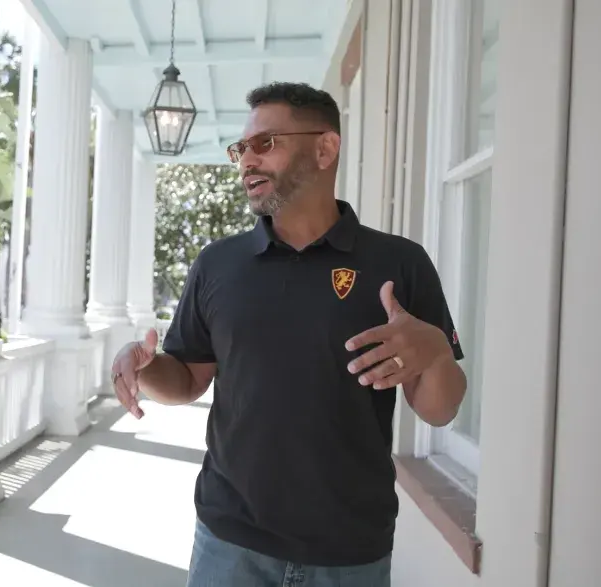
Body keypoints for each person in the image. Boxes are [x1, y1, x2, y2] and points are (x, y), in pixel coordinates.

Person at [111, 82, 467, 587]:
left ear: (325, 148)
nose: (247, 161)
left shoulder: (399, 263)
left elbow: (439, 409)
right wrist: (146, 367)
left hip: (350, 554)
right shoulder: (218, 264)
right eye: (241, 148)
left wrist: (434, 351)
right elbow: (187, 378)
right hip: (229, 545)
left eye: (265, 143)